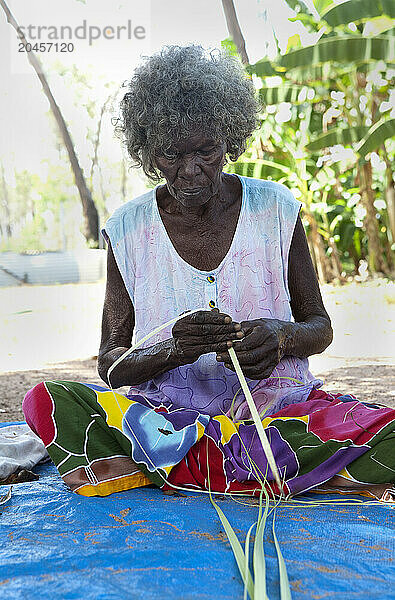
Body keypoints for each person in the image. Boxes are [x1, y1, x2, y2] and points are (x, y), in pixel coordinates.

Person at [23, 46, 395, 500]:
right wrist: (173, 351)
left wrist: (280, 337)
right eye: (171, 155)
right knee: (47, 402)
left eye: (207, 150)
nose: (191, 170)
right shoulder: (126, 229)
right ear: (149, 153)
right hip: (166, 417)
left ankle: (178, 468)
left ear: (230, 140)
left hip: (277, 413)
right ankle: (250, 469)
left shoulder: (277, 209)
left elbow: (320, 328)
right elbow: (112, 365)